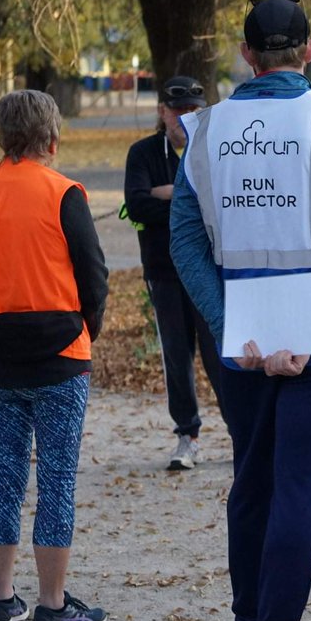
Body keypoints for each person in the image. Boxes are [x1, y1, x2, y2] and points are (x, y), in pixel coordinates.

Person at [170, 0, 311, 621]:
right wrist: (306, 330)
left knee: (253, 482)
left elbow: (185, 244)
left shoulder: (202, 129)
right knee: (298, 490)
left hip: (245, 344)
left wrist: (234, 328)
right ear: (310, 51)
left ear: (246, 55)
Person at [0, 89, 110, 621]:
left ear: (3, 136)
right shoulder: (64, 192)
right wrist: (85, 329)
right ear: (52, 137)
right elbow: (93, 275)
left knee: (5, 475)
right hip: (59, 356)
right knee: (56, 480)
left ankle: (1, 601)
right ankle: (52, 604)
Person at [122, 75, 225, 470]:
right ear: (162, 112)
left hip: (211, 267)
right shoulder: (143, 153)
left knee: (221, 351)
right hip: (164, 270)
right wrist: (189, 202)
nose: (184, 118)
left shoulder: (219, 149)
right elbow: (137, 207)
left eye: (193, 111)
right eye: (177, 110)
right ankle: (187, 434)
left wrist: (168, 193)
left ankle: (241, 430)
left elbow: (224, 206)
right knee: (176, 354)